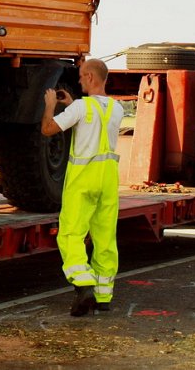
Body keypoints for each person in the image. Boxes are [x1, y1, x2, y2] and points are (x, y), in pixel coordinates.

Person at [41, 59, 124, 316]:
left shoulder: (80, 107)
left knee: (71, 235)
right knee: (105, 238)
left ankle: (83, 282)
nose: (78, 81)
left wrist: (51, 106)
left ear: (89, 76)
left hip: (83, 178)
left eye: (80, 76)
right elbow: (94, 118)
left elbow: (47, 129)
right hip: (108, 179)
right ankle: (104, 296)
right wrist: (71, 105)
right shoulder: (117, 108)